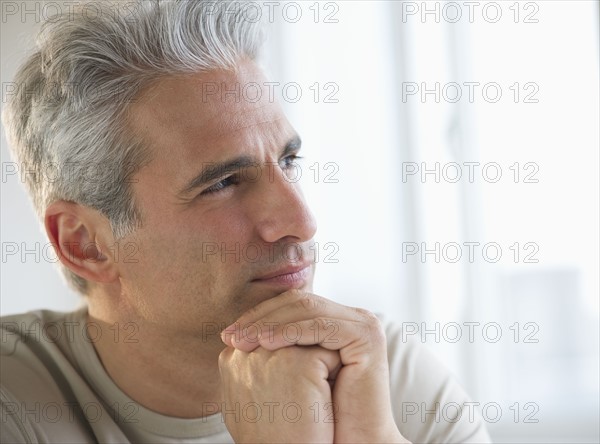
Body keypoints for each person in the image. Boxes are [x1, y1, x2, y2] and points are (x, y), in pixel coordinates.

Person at [1, 1, 491, 442]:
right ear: (86, 244)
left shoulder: (381, 372)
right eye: (223, 183)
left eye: (290, 161)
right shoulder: (16, 400)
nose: (301, 221)